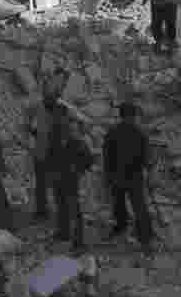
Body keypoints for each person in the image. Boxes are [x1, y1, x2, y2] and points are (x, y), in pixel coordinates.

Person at [25, 68, 77, 221]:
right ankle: (44, 211)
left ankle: (60, 214)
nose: (59, 84)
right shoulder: (41, 105)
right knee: (42, 184)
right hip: (43, 151)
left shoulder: (62, 107)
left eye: (62, 81)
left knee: (56, 186)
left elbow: (75, 123)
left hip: (53, 152)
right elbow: (32, 126)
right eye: (58, 80)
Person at [103, 101, 154, 252]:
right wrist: (149, 170)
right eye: (131, 115)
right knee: (133, 206)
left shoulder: (115, 132)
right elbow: (146, 156)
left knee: (128, 206)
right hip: (129, 176)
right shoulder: (138, 133)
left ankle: (131, 231)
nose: (132, 118)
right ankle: (140, 235)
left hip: (124, 175)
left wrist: (107, 175)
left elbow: (107, 155)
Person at [45, 111, 93, 251]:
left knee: (74, 210)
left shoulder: (78, 143)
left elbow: (88, 160)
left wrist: (77, 170)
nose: (66, 129)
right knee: (61, 207)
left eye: (69, 127)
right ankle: (64, 233)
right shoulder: (55, 141)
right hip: (58, 179)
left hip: (71, 180)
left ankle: (79, 242)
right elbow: (49, 158)